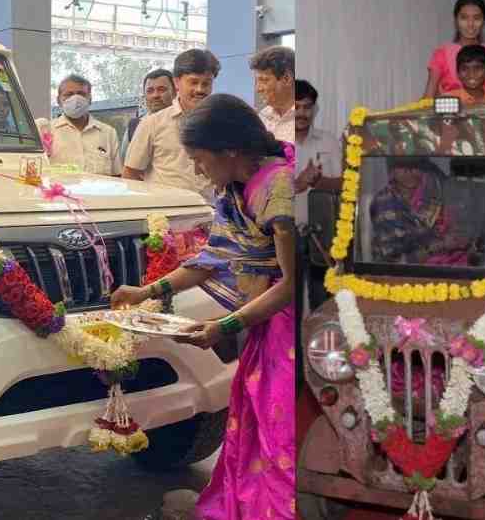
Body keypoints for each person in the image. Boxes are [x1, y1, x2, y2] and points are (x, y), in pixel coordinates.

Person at [114, 94, 295, 520]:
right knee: (256, 425)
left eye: (198, 158)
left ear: (229, 149)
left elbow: (292, 284)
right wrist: (145, 292)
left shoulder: (278, 190)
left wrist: (227, 325)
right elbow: (213, 260)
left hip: (287, 328)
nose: (197, 168)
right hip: (263, 323)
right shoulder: (235, 191)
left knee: (279, 433)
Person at [124, 49, 220, 202]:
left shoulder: (221, 123)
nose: (200, 89)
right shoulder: (152, 123)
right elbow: (130, 174)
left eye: (206, 83)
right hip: (165, 217)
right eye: (193, 82)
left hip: (210, 214)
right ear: (177, 82)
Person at [293, 80, 340, 314]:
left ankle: (320, 350)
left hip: (322, 236)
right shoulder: (275, 143)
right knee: (290, 307)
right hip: (286, 236)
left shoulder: (328, 140)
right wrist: (299, 183)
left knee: (323, 302)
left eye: (307, 107)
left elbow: (344, 184)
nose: (302, 113)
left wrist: (318, 182)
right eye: (297, 106)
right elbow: (264, 191)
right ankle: (295, 351)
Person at [370, 159, 471, 265]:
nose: (409, 172)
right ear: (391, 172)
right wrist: (441, 245)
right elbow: (397, 263)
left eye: (415, 166)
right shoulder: (384, 205)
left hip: (452, 262)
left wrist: (459, 235)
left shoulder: (434, 184)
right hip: (408, 273)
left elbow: (458, 220)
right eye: (402, 167)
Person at [423, 0, 485, 101]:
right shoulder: (441, 53)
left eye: (477, 18)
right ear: (456, 20)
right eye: (464, 18)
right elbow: (428, 97)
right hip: (451, 115)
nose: (470, 24)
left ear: (484, 21)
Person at [47, 74, 121, 176]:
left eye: (81, 94)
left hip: (98, 191)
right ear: (58, 100)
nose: (75, 99)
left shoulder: (108, 133)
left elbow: (117, 175)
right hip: (60, 191)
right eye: (69, 94)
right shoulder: (47, 131)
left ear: (90, 99)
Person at [119, 68, 174, 162]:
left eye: (161, 89)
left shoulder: (186, 123)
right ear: (144, 95)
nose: (155, 95)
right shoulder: (134, 126)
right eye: (150, 91)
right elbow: (124, 163)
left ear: (175, 92)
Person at [251, 46, 295, 142]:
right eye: (257, 82)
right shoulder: (262, 117)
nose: (258, 89)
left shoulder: (307, 119)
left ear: (287, 79)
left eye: (264, 80)